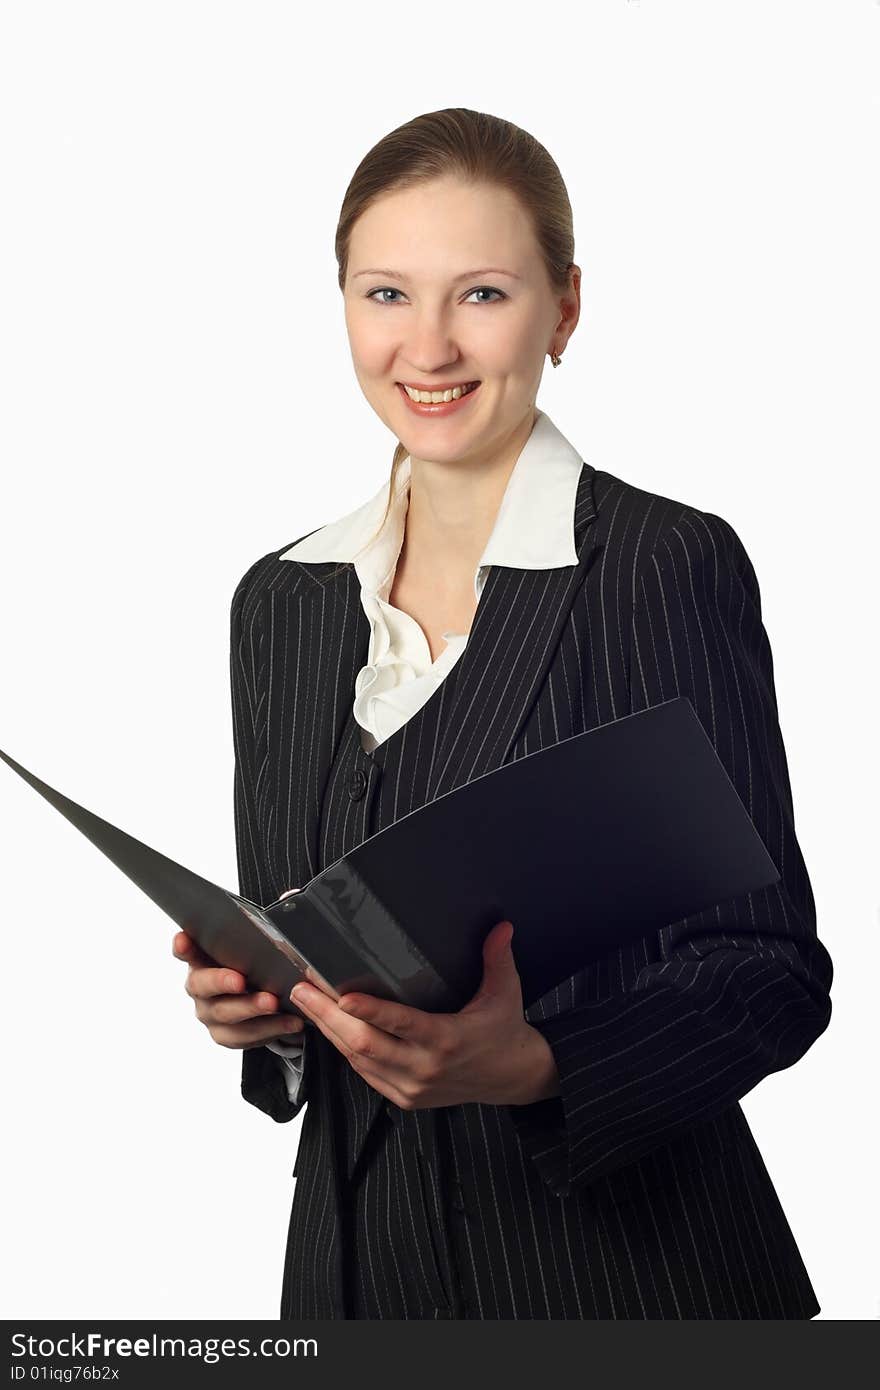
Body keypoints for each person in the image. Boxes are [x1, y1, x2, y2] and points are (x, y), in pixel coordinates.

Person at [173, 107, 833, 1320]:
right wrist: (261, 1014)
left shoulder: (657, 563)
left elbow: (771, 970)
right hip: (354, 1279)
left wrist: (536, 1062)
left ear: (563, 309)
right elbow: (316, 938)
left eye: (479, 294)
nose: (425, 345)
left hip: (629, 1283)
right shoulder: (281, 602)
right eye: (385, 294)